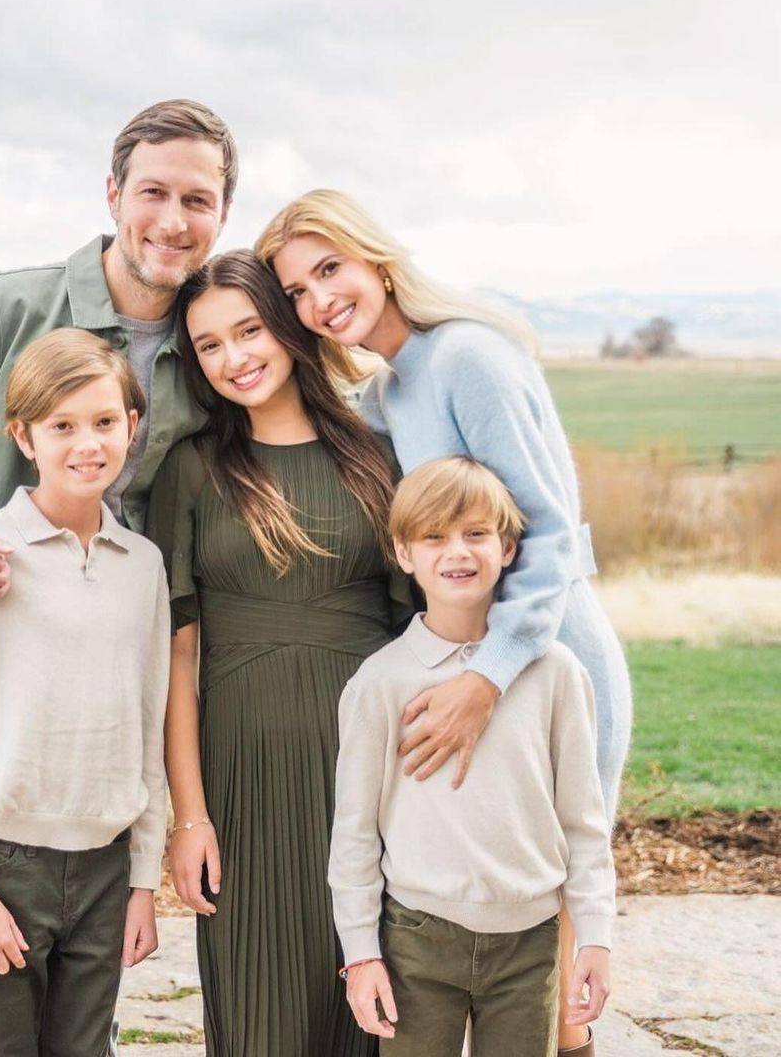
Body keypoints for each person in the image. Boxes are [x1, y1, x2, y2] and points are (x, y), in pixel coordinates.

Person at [0, 98, 235, 1057]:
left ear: (224, 215)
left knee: (78, 1009)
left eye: (200, 199)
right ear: (113, 195)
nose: (173, 220)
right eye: (153, 192)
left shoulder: (214, 347)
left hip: (105, 711)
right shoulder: (5, 306)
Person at [256, 190, 631, 1054]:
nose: (321, 301)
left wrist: (485, 679)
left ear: (374, 259)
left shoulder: (468, 359)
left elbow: (545, 538)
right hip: (474, 658)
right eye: (300, 293)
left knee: (555, 953)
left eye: (329, 269)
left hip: (542, 654)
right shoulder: (399, 385)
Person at [146, 250, 411, 1056]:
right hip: (242, 778)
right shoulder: (192, 469)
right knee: (263, 1014)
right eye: (209, 346)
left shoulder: (377, 457)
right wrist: (187, 818)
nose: (235, 358)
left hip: (370, 773)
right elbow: (178, 660)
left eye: (249, 329)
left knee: (372, 1009)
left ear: (288, 323)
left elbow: (417, 637)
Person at [0, 330, 169, 1055]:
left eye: (105, 422)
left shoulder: (142, 567)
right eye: (62, 426)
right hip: (4, 868)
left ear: (132, 427)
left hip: (105, 866)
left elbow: (148, 724)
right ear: (23, 436)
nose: (87, 444)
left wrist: (143, 880)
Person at [329, 456, 614, 1056]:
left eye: (476, 534)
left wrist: (595, 937)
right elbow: (354, 833)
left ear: (508, 548)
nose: (456, 551)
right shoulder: (380, 683)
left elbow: (583, 823)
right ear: (404, 554)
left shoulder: (556, 673)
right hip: (416, 940)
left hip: (530, 943)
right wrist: (360, 954)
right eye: (434, 536)